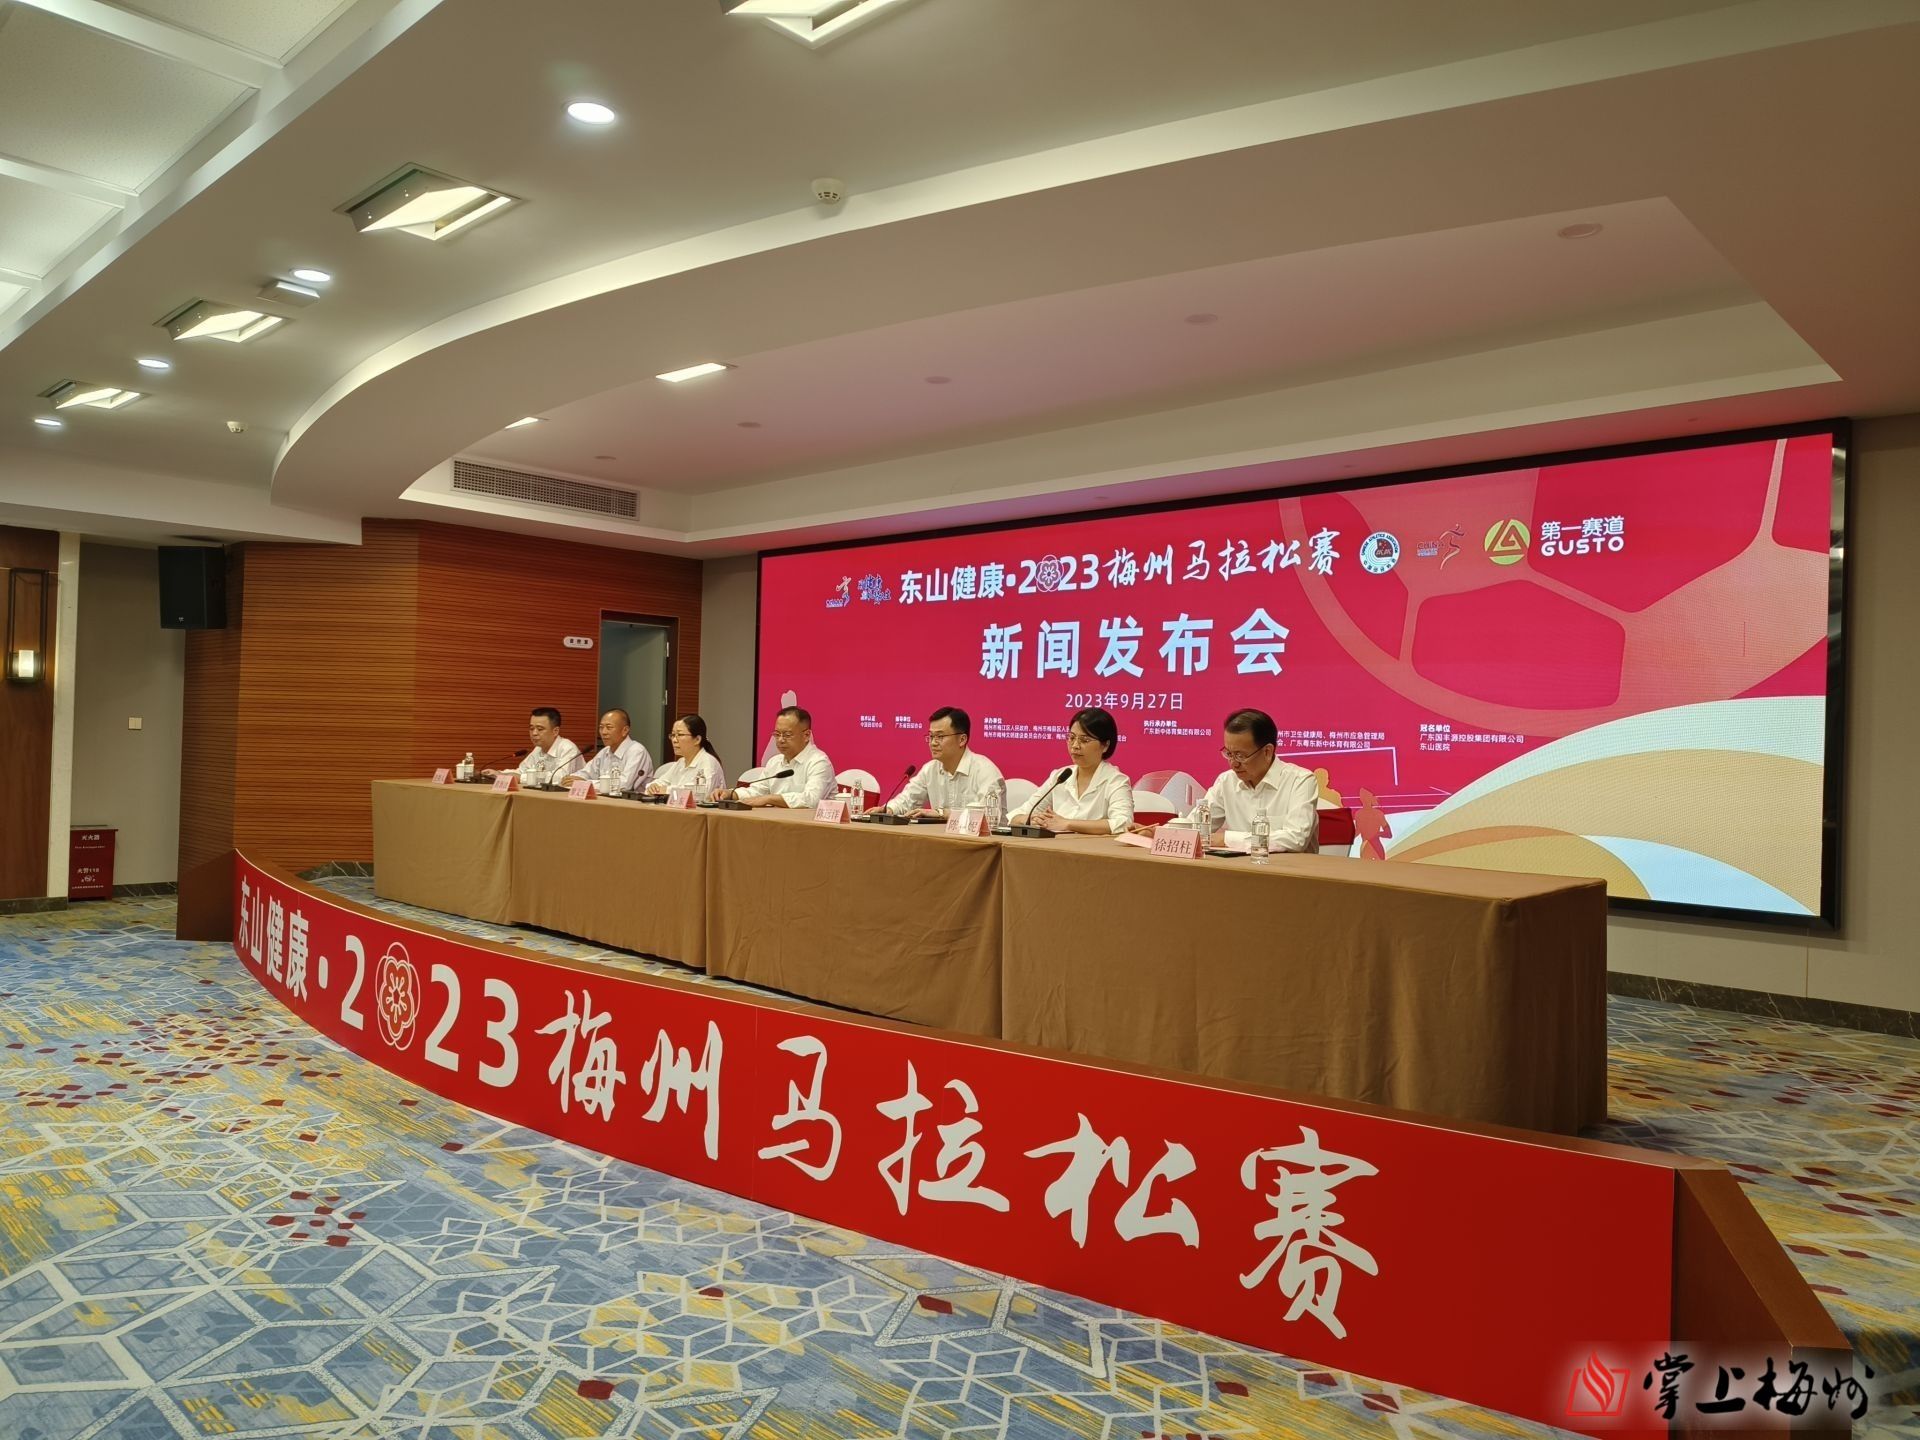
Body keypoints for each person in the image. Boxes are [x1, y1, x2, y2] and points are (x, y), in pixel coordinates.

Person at [1136, 708, 1318, 852]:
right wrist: (1157, 833)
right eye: (1229, 754)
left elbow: (1295, 839)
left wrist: (1227, 839)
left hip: (1290, 875)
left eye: (1240, 755)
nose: (1233, 763)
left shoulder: (1301, 781)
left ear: (1267, 751)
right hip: (1237, 872)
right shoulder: (1226, 781)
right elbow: (1196, 826)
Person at [1008, 706, 1134, 834]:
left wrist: (1068, 824)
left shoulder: (1116, 781)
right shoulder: (1060, 776)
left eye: (1084, 740)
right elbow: (1017, 815)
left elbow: (1124, 823)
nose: (1075, 746)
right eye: (1072, 738)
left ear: (1105, 745)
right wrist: (1031, 819)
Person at [887, 706, 1006, 817]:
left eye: (940, 737)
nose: (933, 743)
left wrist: (942, 813)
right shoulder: (930, 770)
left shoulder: (985, 770)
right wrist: (888, 809)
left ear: (962, 740)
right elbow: (908, 799)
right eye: (931, 736)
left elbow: (989, 814)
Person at [718, 705, 835, 809]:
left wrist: (770, 799)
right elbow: (758, 791)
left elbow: (812, 800)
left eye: (787, 735)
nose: (780, 740)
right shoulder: (774, 762)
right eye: (777, 734)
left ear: (806, 735)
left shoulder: (819, 762)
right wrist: (731, 794)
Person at [484, 706, 583, 785]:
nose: (534, 733)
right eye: (531, 728)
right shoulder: (538, 749)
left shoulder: (568, 748)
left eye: (540, 729)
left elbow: (559, 778)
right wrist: (498, 774)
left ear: (555, 731)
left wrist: (520, 778)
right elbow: (522, 771)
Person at [648, 713, 727, 795]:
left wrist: (667, 790)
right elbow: (660, 783)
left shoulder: (708, 763)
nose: (674, 740)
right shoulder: (681, 762)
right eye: (673, 735)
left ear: (697, 739)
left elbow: (700, 793)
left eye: (680, 735)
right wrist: (653, 787)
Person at [578, 708, 653, 795]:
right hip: (606, 799)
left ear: (625, 730)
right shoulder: (605, 751)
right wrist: (575, 779)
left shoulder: (637, 751)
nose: (603, 732)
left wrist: (586, 783)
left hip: (632, 801)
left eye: (609, 727)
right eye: (601, 728)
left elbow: (624, 785)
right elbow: (586, 773)